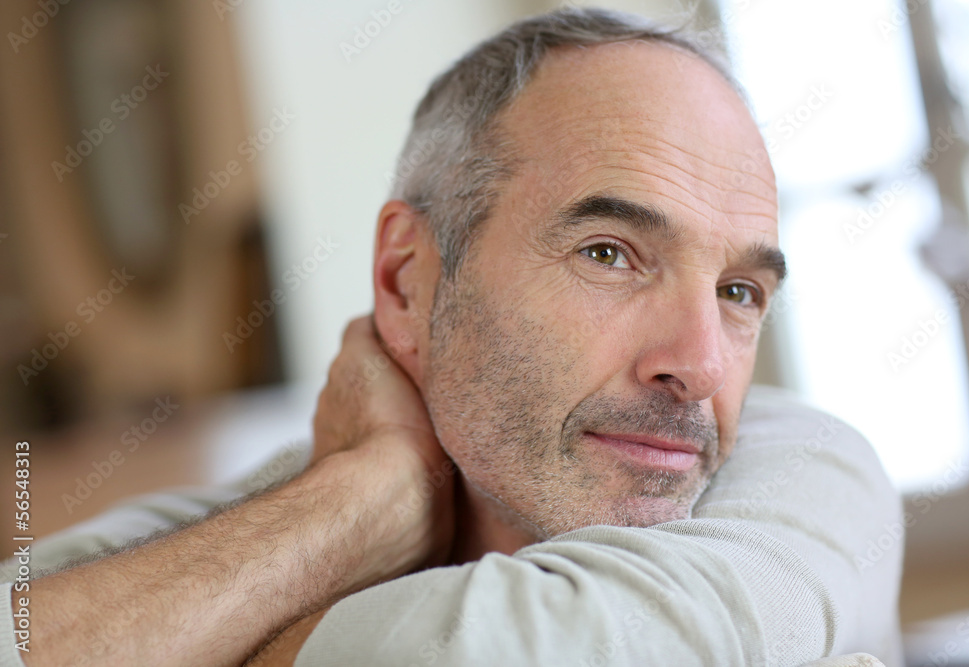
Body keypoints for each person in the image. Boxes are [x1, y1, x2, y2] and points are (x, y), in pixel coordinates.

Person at [0, 8, 903, 666]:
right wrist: (359, 503)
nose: (701, 366)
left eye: (740, 290)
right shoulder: (281, 504)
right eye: (609, 253)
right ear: (406, 279)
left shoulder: (810, 471)